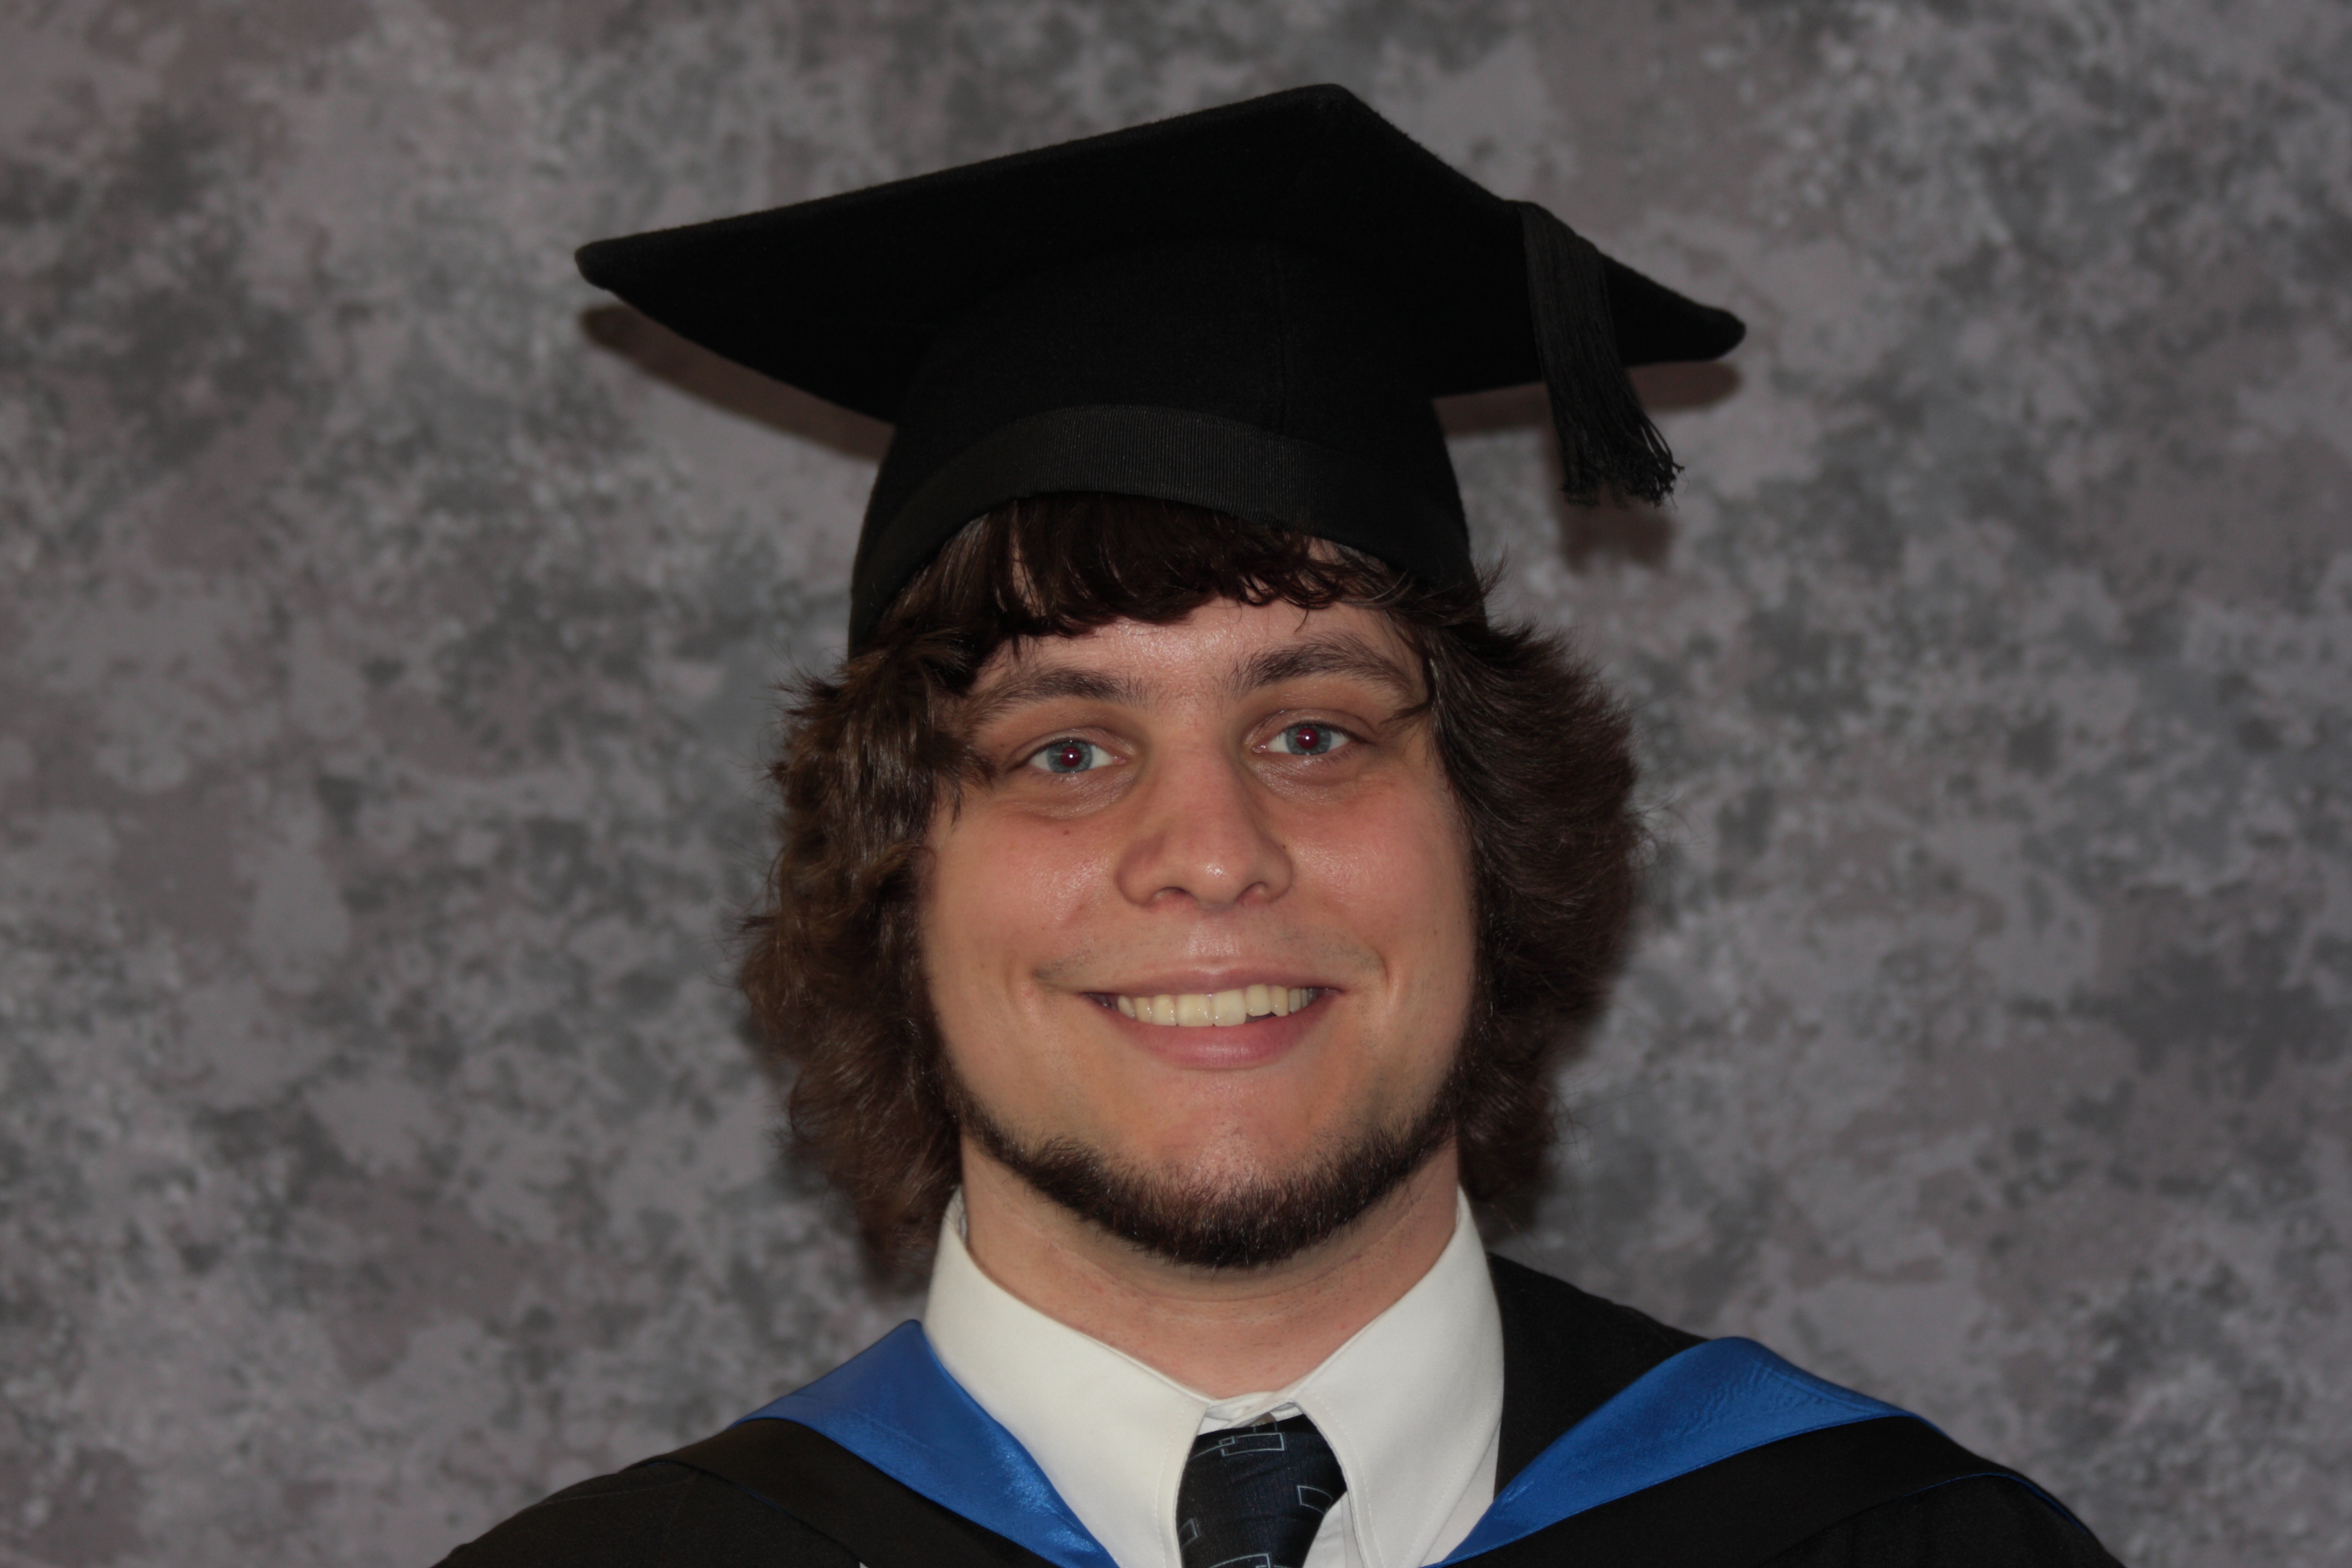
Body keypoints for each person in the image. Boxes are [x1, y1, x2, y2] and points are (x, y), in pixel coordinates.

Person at [439, 85, 2117, 1568]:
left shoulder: (1913, 1552)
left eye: (1313, 732)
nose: (1213, 850)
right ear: (892, 881)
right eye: (1066, 750)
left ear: (1494, 837)